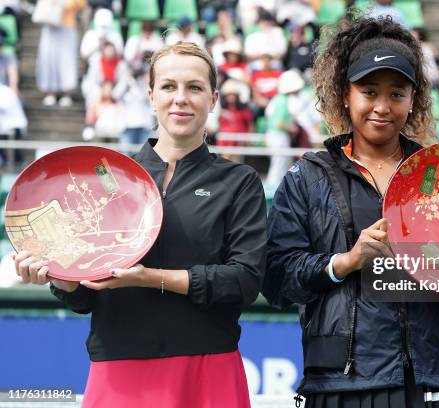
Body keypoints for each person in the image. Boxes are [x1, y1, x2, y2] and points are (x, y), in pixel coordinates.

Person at [264, 14, 439, 408]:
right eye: (369, 91)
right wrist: (345, 262)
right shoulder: (306, 178)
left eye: (397, 93)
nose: (382, 106)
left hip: (437, 379)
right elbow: (276, 280)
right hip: (344, 385)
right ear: (345, 94)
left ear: (413, 99)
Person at [14, 42, 266, 407]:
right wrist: (62, 277)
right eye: (168, 87)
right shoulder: (102, 179)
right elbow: (84, 297)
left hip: (207, 367)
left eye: (194, 88)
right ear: (151, 96)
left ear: (213, 99)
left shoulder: (239, 182)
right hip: (118, 369)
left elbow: (244, 281)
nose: (181, 98)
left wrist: (151, 278)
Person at [35, 0, 86, 107]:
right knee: (48, 59)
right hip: (50, 23)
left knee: (66, 60)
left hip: (67, 26)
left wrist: (63, 3)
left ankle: (67, 92)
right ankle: (50, 91)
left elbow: (81, 4)